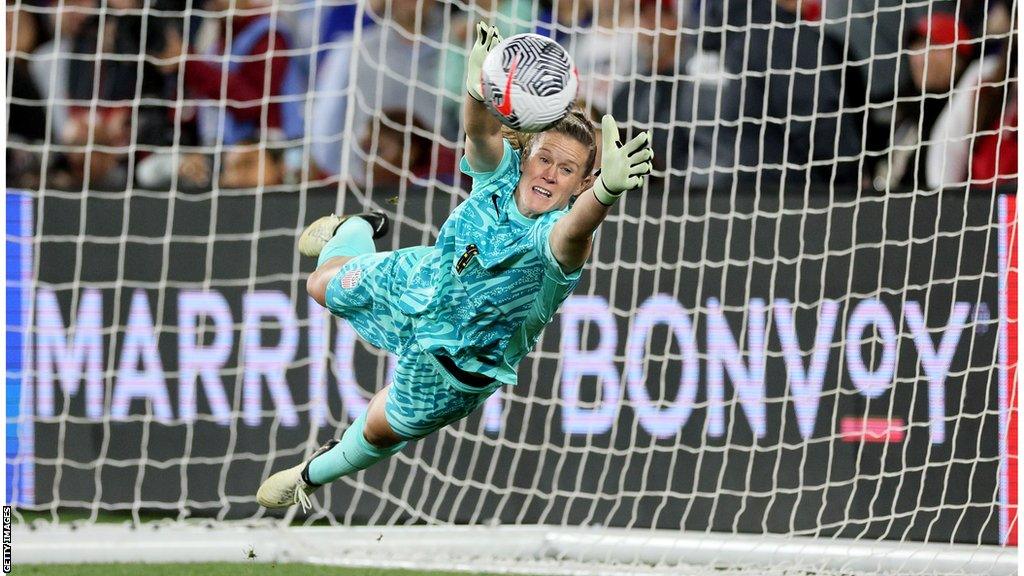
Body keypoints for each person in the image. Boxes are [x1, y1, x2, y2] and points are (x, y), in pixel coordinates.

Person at [256, 21, 653, 510]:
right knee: (319, 285)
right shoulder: (500, 174)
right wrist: (477, 89)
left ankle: (309, 476)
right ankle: (355, 228)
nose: (550, 174)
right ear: (527, 155)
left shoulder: (557, 239)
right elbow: (481, 129)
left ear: (579, 184)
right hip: (420, 281)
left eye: (567, 170)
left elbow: (577, 230)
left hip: (457, 367)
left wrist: (606, 193)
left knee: (380, 430)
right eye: (545, 159)